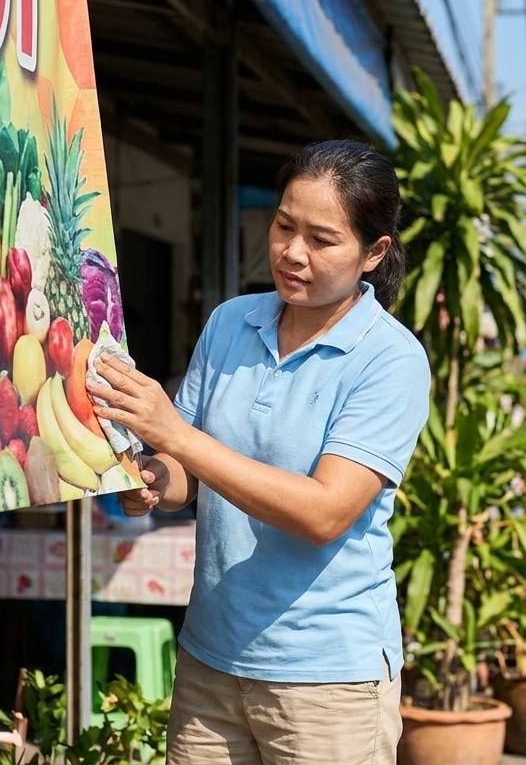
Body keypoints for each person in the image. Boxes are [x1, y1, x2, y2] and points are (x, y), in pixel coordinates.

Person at [87, 140, 430, 764]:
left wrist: (175, 437)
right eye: (283, 226)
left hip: (327, 677)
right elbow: (187, 470)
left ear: (374, 253)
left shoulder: (391, 359)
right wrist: (152, 480)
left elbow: (325, 514)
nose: (292, 253)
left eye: (322, 240)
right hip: (210, 656)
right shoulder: (230, 322)